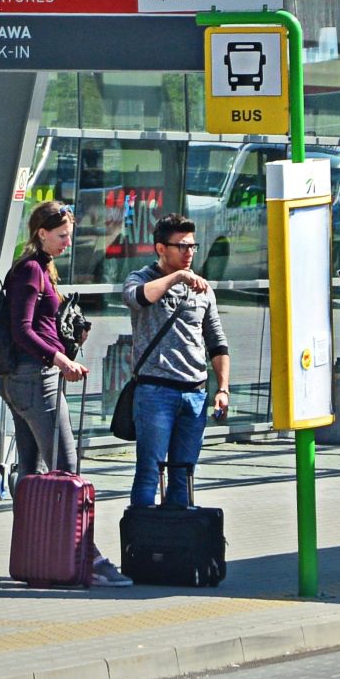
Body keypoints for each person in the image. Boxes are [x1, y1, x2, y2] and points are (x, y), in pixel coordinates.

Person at [0, 201, 127, 587]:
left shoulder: (41, 269)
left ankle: (39, 549)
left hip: (28, 379)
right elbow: (21, 329)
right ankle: (83, 554)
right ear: (41, 233)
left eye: (69, 234)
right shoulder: (30, 272)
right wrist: (60, 360)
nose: (68, 242)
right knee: (66, 466)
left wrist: (68, 338)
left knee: (32, 472)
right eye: (62, 235)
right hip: (35, 380)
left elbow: (36, 324)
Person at [121, 214, 231, 510]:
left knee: (183, 475)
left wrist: (223, 388)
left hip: (194, 393)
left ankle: (177, 547)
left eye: (193, 247)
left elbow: (217, 342)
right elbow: (136, 299)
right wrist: (179, 277)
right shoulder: (141, 277)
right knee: (149, 472)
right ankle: (143, 545)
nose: (189, 253)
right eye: (182, 246)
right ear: (160, 248)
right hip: (156, 392)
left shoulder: (203, 290)